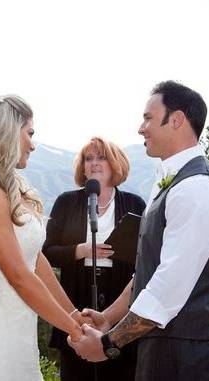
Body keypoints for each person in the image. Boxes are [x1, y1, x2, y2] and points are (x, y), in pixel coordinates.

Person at [68, 81, 209, 381]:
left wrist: (108, 344)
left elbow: (167, 287)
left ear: (176, 120)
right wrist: (109, 318)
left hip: (184, 357)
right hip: (158, 348)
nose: (141, 128)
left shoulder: (199, 188)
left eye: (148, 117)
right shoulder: (173, 183)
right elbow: (148, 271)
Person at [0, 95, 86, 380]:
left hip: (20, 331)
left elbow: (35, 262)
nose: (33, 144)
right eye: (30, 133)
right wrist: (73, 331)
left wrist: (74, 315)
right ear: (8, 132)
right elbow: (18, 276)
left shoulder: (12, 189)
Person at [43, 137, 146, 380]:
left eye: (101, 157)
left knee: (119, 369)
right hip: (74, 299)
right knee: (76, 369)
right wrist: (80, 250)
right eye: (88, 159)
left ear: (115, 164)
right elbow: (46, 254)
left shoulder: (134, 203)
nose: (94, 164)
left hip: (120, 296)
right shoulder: (66, 202)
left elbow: (145, 258)